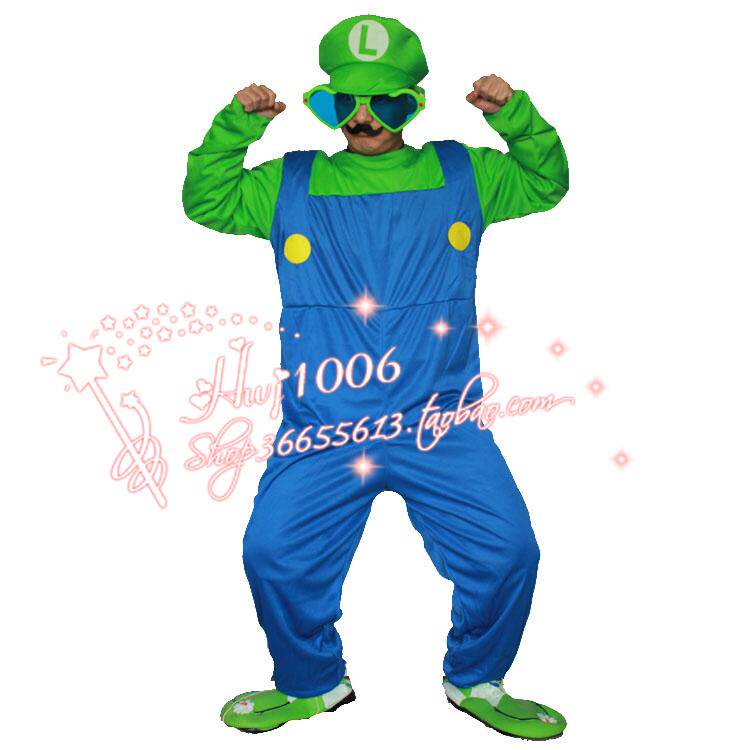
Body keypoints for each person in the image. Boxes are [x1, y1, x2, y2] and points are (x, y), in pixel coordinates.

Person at [183, 14, 569, 739]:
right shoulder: (292, 182)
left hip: (441, 423)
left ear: (413, 104)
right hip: (324, 425)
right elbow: (207, 201)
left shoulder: (464, 173)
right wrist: (235, 128)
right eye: (343, 104)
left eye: (386, 103)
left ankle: (477, 678)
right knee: (272, 553)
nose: (363, 120)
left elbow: (546, 182)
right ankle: (310, 682)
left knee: (508, 551)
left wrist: (515, 116)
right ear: (327, 104)